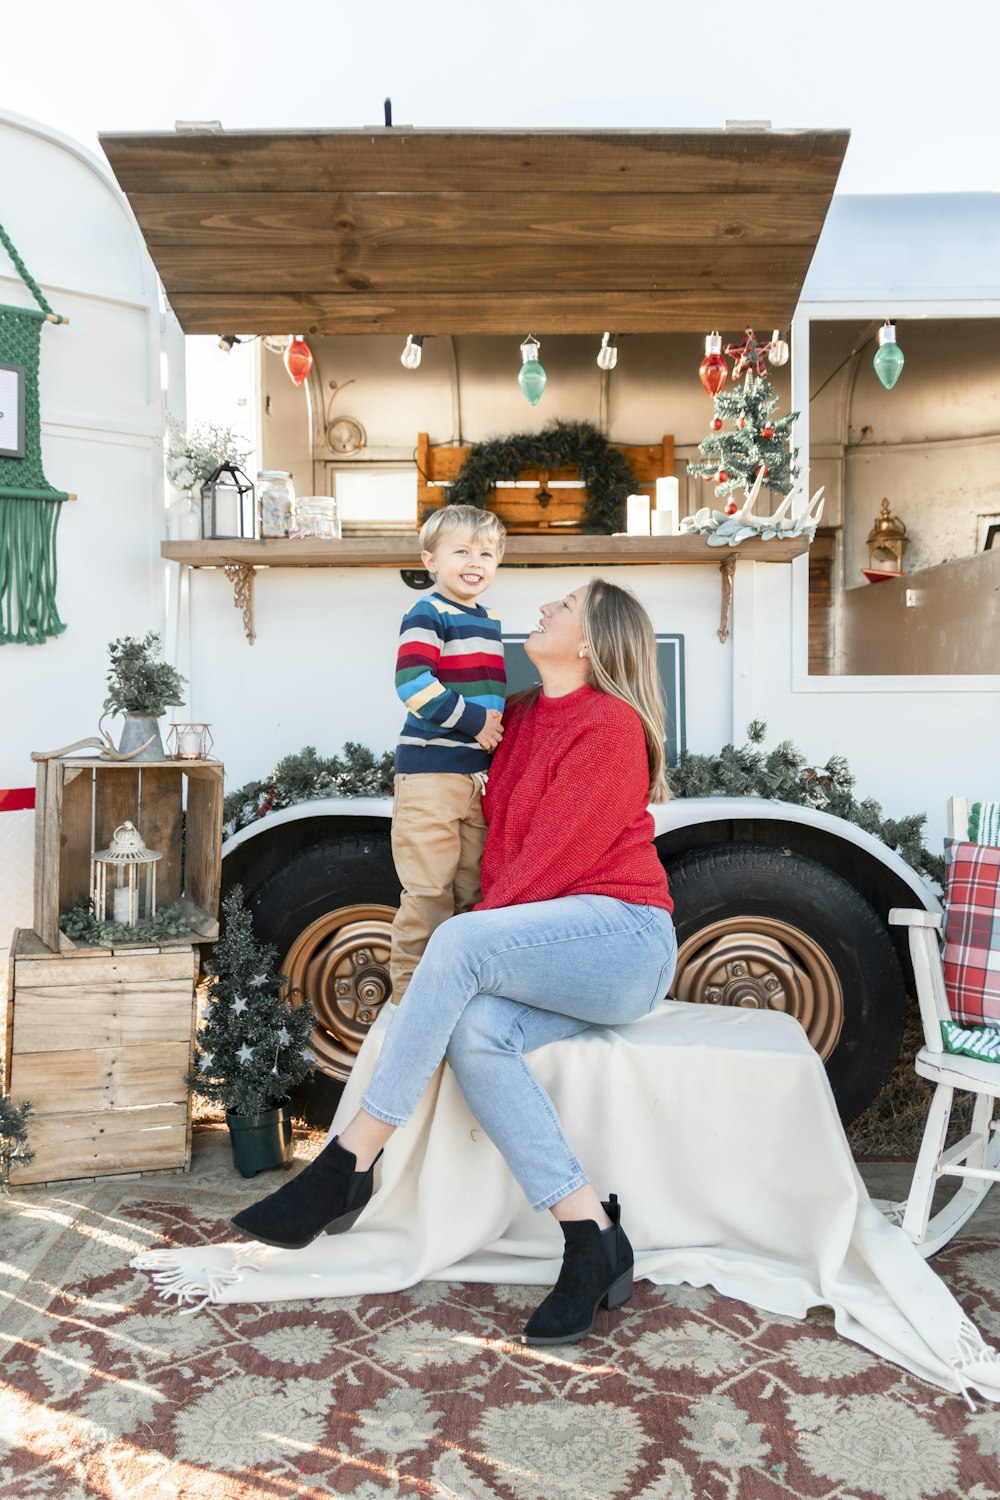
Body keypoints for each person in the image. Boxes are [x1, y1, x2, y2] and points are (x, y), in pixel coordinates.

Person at [232, 577, 677, 1347]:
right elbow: (499, 846)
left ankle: (349, 1161)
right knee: (475, 1034)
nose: (543, 608)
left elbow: (550, 863)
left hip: (623, 940)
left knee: (461, 942)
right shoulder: (525, 717)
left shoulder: (610, 725)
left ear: (595, 640)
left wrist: (467, 939)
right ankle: (590, 1238)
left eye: (564, 606)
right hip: (550, 944)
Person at [389, 504, 507, 1005]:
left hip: (474, 781)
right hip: (431, 776)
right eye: (460, 551)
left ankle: (459, 993)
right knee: (428, 894)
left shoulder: (485, 620)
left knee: (472, 893)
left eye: (486, 552)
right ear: (430, 561)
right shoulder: (429, 612)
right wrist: (478, 722)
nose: (474, 560)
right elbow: (412, 684)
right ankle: (410, 1001)